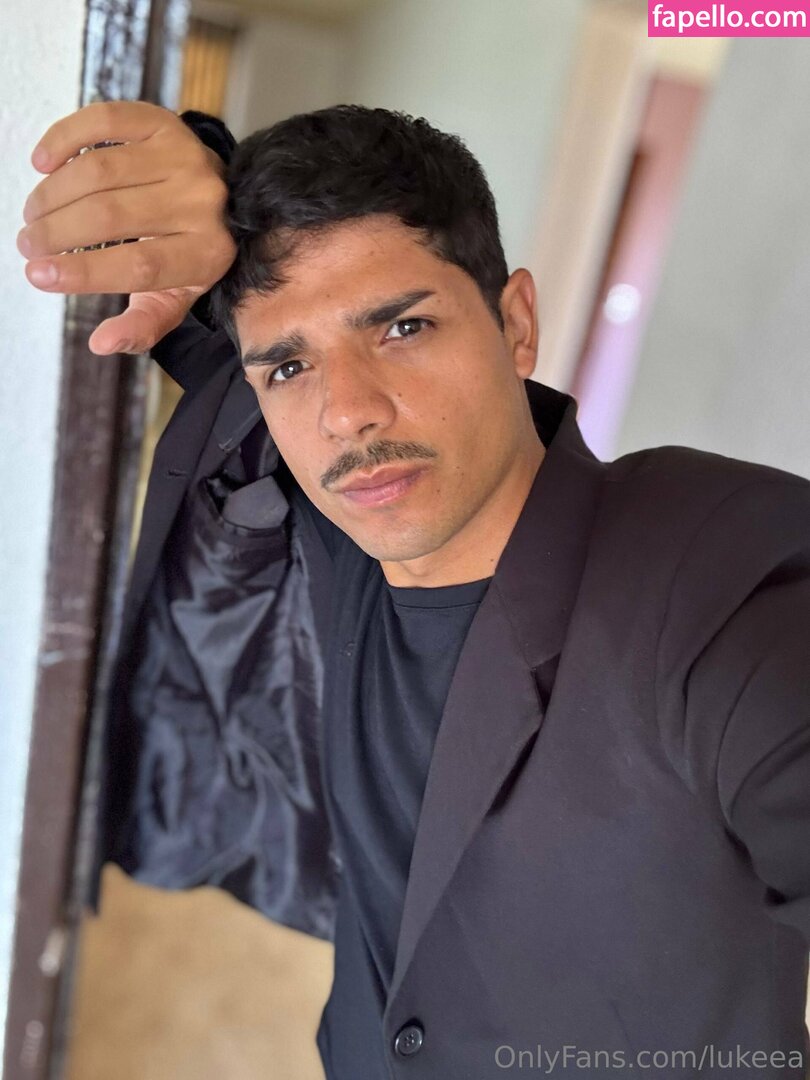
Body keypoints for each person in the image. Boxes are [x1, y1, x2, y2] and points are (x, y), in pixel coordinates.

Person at [20, 101, 810, 1079]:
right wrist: (198, 172)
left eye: (402, 326)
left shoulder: (708, 577)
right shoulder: (342, 530)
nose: (348, 411)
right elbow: (198, 320)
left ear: (515, 323)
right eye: (291, 365)